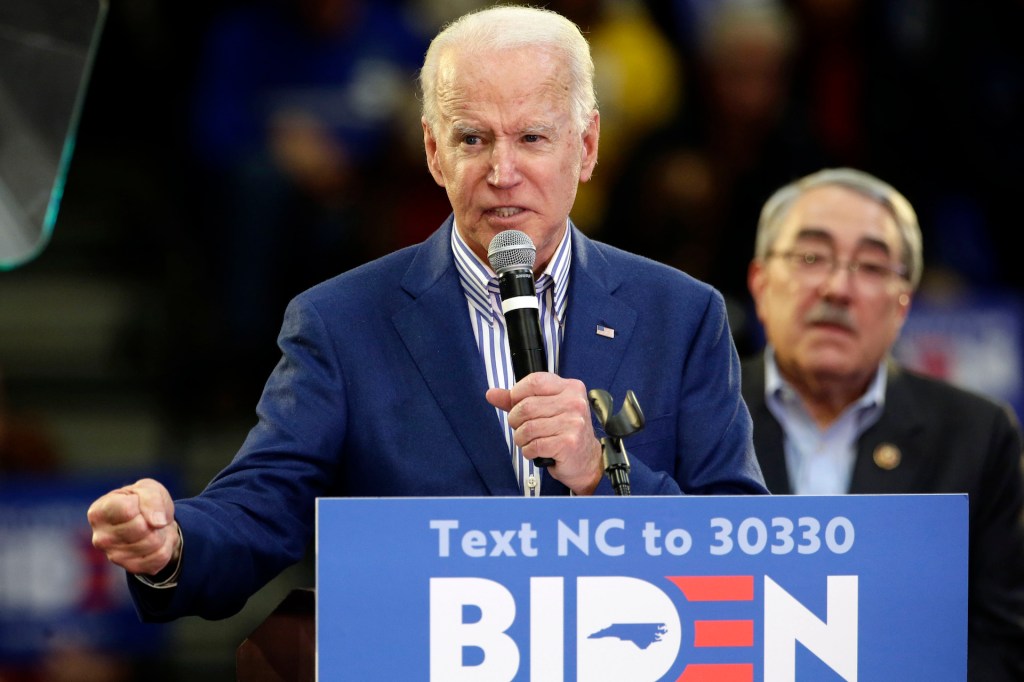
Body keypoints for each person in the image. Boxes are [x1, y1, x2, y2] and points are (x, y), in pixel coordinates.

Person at [87, 5, 768, 624]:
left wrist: (600, 474)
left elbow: (740, 547)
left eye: (532, 137)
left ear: (585, 147)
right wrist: (173, 542)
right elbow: (260, 508)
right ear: (433, 150)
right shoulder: (343, 322)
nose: (502, 171)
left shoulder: (682, 316)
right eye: (473, 139)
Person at [741, 167, 1024, 680]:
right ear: (760, 283)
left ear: (902, 304)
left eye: (871, 266)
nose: (837, 288)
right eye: (810, 257)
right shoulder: (699, 415)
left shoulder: (977, 436)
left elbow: (1001, 640)